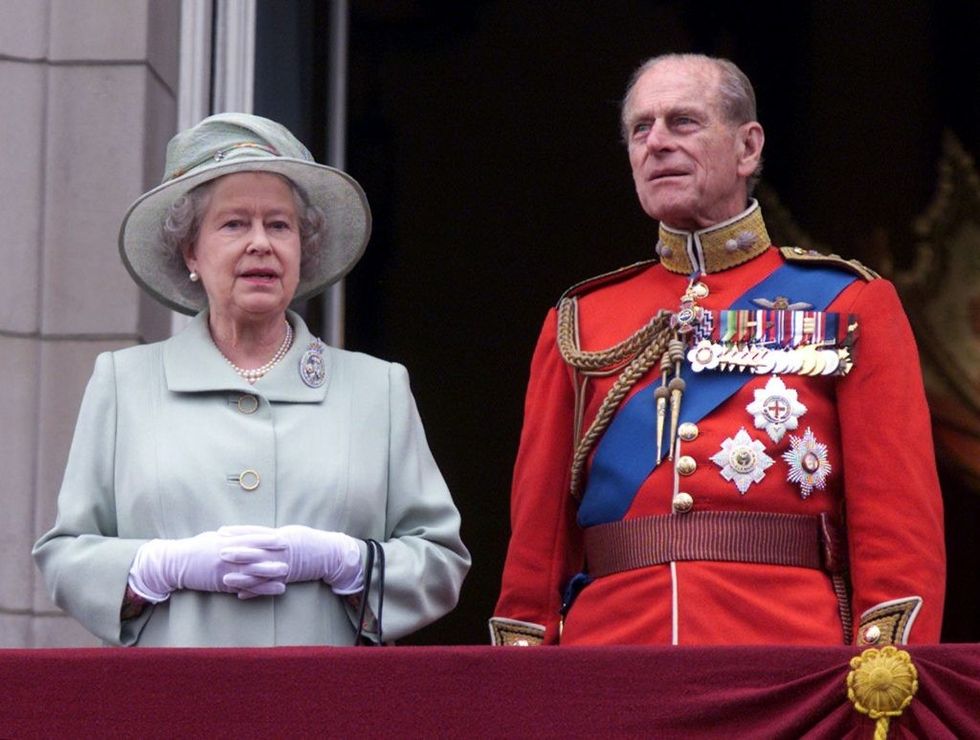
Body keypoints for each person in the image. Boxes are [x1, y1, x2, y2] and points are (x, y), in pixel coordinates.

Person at [491, 54, 945, 647]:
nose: (657, 143)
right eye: (640, 128)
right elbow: (538, 544)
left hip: (785, 657)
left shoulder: (849, 303)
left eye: (683, 122)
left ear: (748, 148)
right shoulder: (578, 321)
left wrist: (887, 667)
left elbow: (897, 521)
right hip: (609, 657)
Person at [33, 112, 470, 647]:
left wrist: (349, 562)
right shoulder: (124, 384)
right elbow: (64, 554)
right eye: (234, 224)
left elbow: (441, 560)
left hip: (327, 709)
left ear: (301, 250)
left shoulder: (377, 390)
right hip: (170, 708)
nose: (260, 243)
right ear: (191, 250)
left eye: (279, 225)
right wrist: (157, 567)